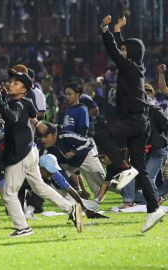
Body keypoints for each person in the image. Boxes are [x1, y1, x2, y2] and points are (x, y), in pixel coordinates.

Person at [0, 68, 82, 237]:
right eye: (11, 81)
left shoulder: (19, 103)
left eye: (16, 83)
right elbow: (28, 113)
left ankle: (22, 227)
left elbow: (11, 117)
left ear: (24, 90)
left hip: (20, 153)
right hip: (30, 151)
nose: (11, 83)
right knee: (39, 188)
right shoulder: (23, 102)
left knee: (10, 194)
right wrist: (3, 98)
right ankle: (71, 209)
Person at [96, 15, 164, 232]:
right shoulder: (134, 67)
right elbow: (120, 51)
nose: (122, 53)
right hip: (138, 120)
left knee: (102, 134)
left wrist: (105, 30)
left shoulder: (131, 68)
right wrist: (117, 30)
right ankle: (154, 209)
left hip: (135, 120)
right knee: (140, 168)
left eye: (125, 50)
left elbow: (114, 52)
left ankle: (124, 169)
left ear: (131, 54)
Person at [39, 123, 104, 196]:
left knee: (102, 182)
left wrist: (75, 151)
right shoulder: (45, 151)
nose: (42, 140)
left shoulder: (66, 136)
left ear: (54, 135)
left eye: (46, 136)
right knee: (61, 186)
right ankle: (74, 197)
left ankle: (118, 189)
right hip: (70, 163)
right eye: (41, 137)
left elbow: (88, 142)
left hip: (85, 156)